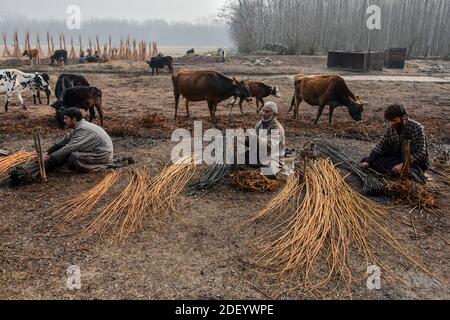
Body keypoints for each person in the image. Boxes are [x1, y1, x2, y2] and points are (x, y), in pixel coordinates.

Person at [360, 104, 430, 183]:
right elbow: (380, 146)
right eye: (390, 121)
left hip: (414, 162)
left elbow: (421, 153)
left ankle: (410, 173)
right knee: (368, 160)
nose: (391, 124)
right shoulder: (390, 128)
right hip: (397, 158)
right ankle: (395, 171)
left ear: (403, 117)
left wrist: (403, 165)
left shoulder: (417, 128)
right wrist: (368, 162)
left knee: (411, 173)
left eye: (394, 120)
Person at [44, 108, 114, 172]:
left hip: (103, 156)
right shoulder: (79, 126)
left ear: (74, 119)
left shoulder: (83, 129)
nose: (64, 121)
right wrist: (48, 152)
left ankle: (76, 168)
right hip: (96, 151)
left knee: (73, 156)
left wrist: (51, 156)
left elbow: (69, 147)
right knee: (66, 151)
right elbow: (64, 140)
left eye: (66, 118)